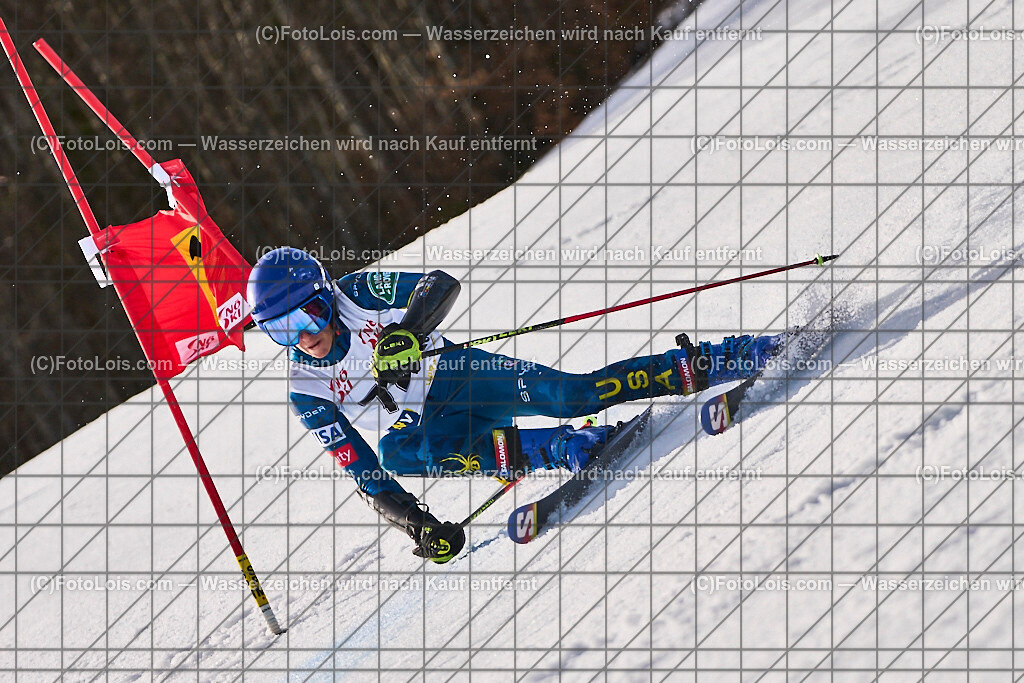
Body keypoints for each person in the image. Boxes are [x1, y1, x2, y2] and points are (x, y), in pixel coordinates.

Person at [246, 247, 783, 563]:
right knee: (396, 453)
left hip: (459, 378)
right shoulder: (305, 388)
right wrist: (419, 525)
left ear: (325, 295)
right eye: (281, 330)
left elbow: (440, 284)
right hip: (435, 428)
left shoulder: (357, 291)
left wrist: (408, 332)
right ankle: (565, 448)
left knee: (577, 394)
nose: (304, 336)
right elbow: (363, 473)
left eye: (310, 316)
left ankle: (718, 360)